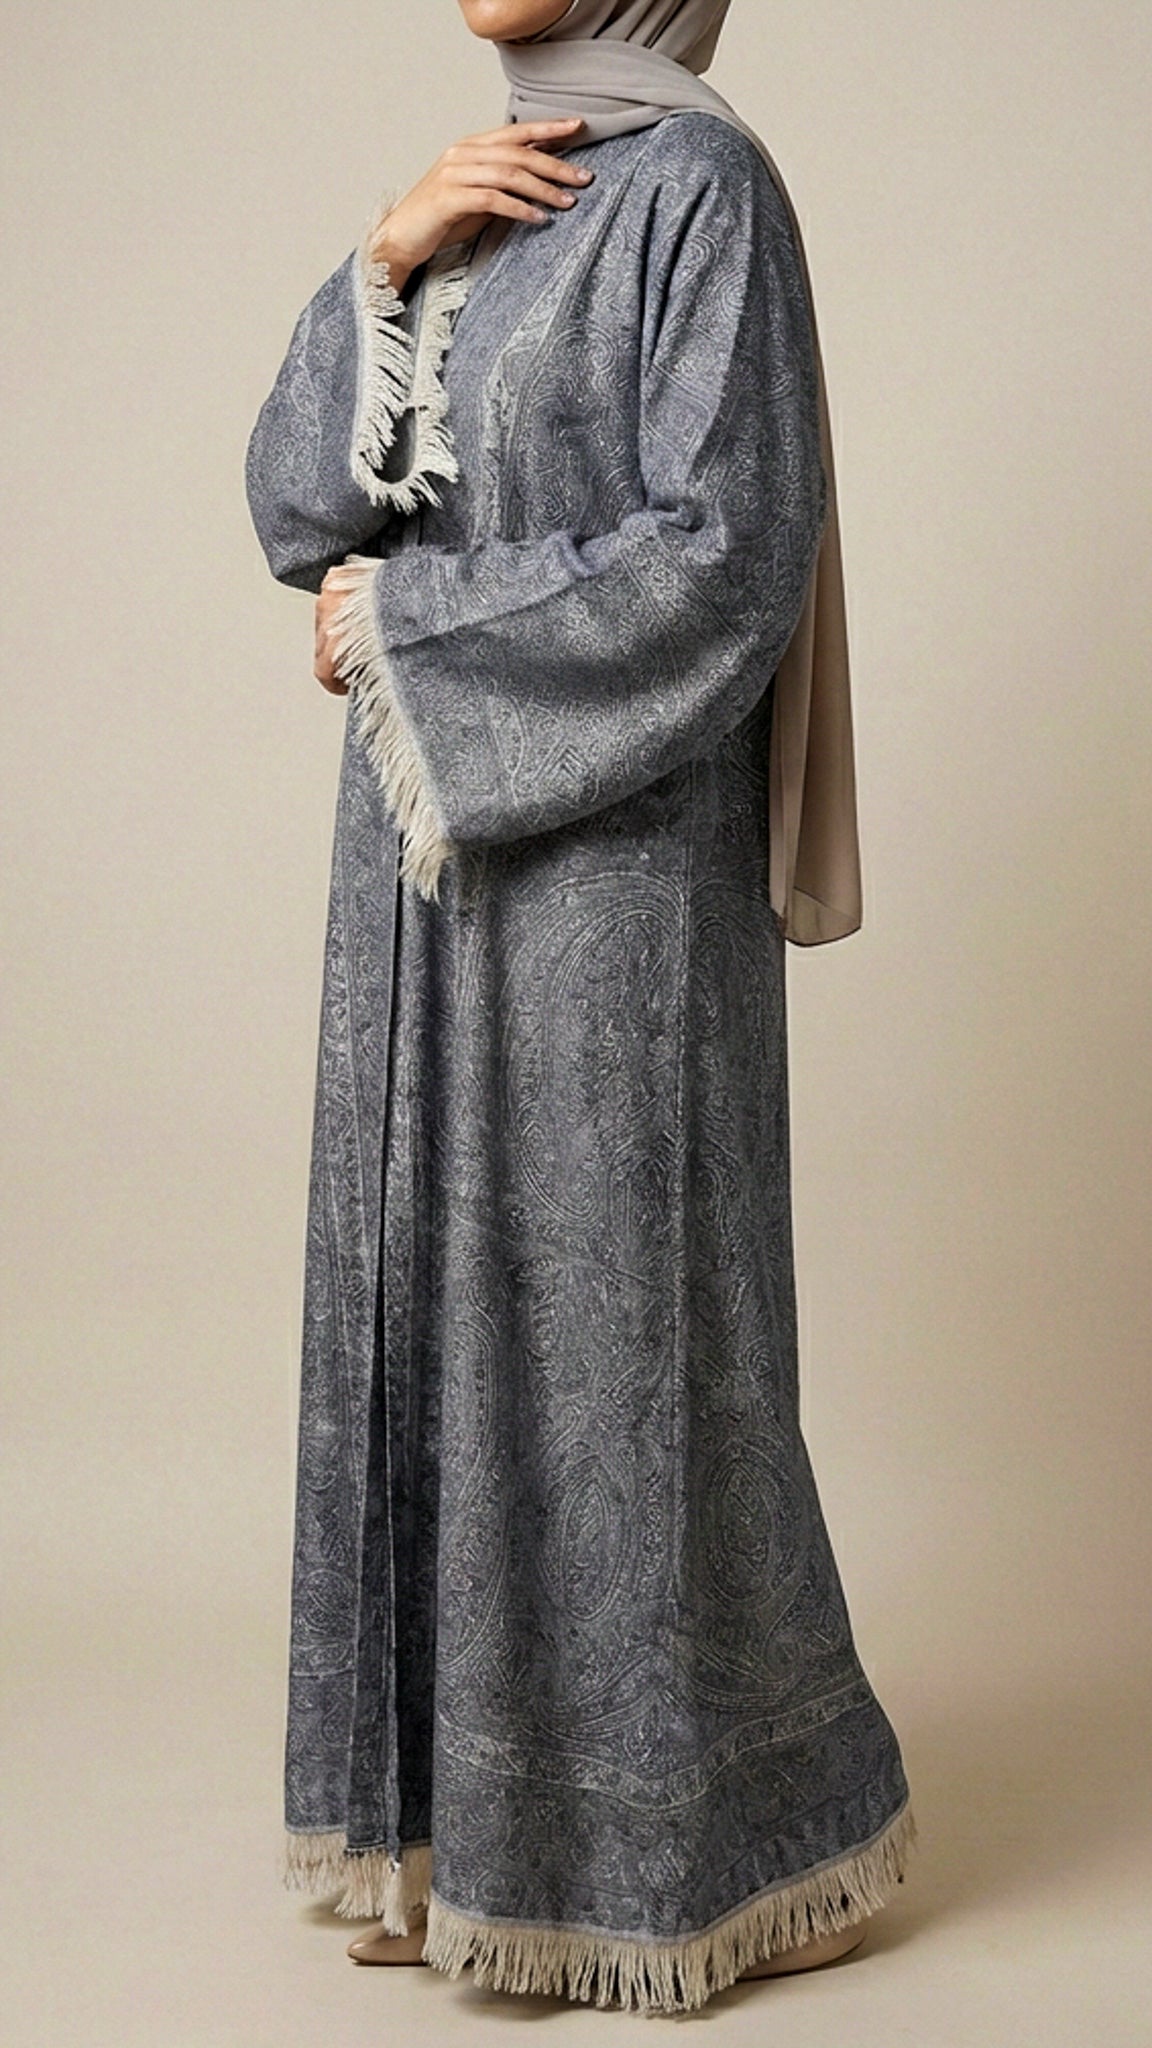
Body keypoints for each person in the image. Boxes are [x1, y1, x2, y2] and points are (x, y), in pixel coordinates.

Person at [243, 0, 917, 2016]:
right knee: (430, 1311)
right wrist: (380, 262)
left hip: (615, 891)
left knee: (618, 1353)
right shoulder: (491, 195)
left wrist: (412, 619)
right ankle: (460, 1844)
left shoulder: (704, 189)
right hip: (426, 867)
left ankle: (694, 1853)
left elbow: (729, 553)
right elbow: (296, 518)